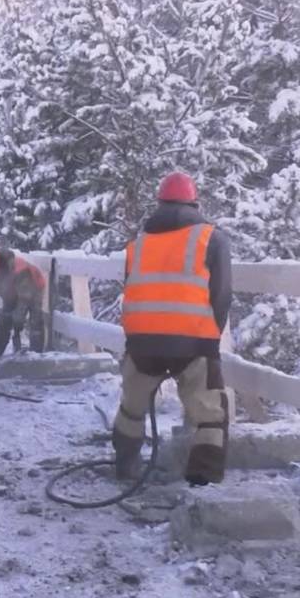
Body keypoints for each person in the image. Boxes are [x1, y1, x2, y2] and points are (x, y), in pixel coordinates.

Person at [112, 171, 233, 487]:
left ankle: (125, 467)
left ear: (159, 203)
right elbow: (221, 296)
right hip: (193, 341)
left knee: (132, 405)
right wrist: (209, 338)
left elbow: (133, 289)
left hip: (141, 343)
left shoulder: (137, 245)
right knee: (210, 412)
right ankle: (202, 480)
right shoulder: (212, 239)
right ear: (195, 203)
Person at [0, 248, 47, 365]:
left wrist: (19, 316)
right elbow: (3, 290)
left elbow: (26, 297)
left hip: (33, 287)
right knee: (3, 322)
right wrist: (8, 313)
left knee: (35, 319)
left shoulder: (20, 270)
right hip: (13, 291)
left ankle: (37, 357)